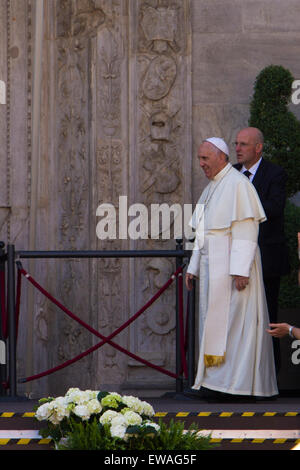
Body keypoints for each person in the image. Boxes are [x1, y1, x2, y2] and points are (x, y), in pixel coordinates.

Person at [185, 137, 278, 400]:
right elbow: (202, 233)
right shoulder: (212, 187)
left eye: (205, 158)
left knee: (234, 327)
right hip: (213, 265)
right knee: (213, 326)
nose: (201, 164)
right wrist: (193, 266)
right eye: (200, 158)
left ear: (221, 157)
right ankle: (214, 383)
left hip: (232, 269)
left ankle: (232, 387)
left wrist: (240, 270)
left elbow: (247, 229)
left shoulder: (238, 184)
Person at [233, 127, 289, 373]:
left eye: (244, 144)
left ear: (258, 148)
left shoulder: (275, 173)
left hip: (266, 259)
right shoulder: (230, 174)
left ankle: (270, 376)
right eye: (236, 144)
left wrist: (243, 207)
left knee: (267, 320)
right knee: (239, 322)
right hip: (235, 262)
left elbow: (274, 208)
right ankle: (240, 377)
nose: (238, 149)